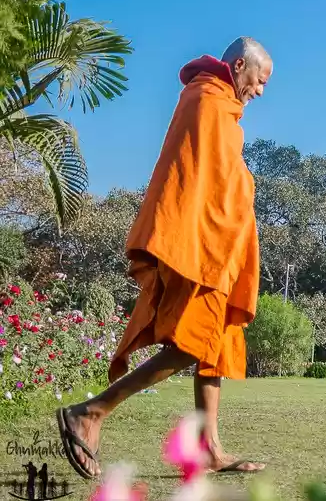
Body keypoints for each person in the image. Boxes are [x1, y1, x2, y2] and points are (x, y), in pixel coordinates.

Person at [55, 37, 273, 480]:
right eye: (260, 79)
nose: (260, 90)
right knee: (193, 344)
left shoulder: (218, 104)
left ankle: (209, 448)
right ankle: (92, 411)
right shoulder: (207, 101)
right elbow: (200, 182)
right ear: (239, 66)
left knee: (213, 343)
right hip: (200, 244)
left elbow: (219, 175)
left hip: (216, 246)